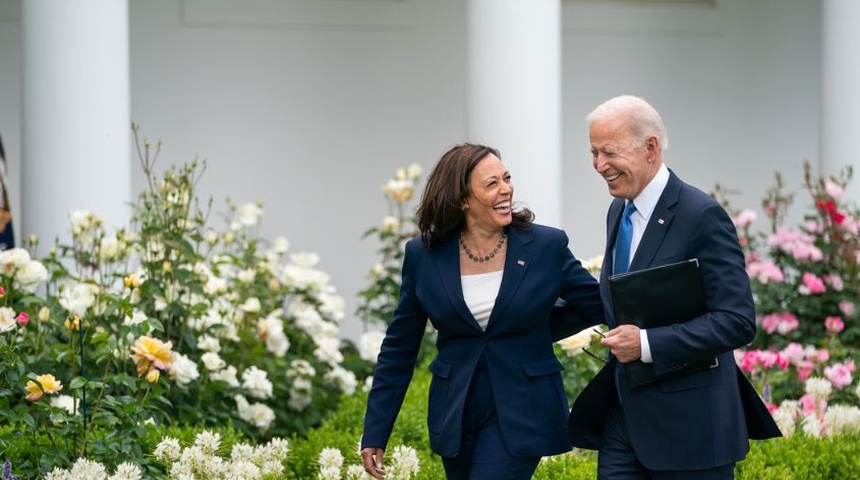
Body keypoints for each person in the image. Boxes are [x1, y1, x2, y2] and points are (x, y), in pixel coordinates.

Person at [566, 95, 781, 479]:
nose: (599, 165)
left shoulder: (702, 216)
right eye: (593, 152)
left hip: (692, 430)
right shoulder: (619, 209)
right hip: (624, 421)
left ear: (650, 147)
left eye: (609, 152)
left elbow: (736, 320)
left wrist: (647, 343)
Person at [360, 143, 605, 479]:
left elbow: (595, 303)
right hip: (456, 413)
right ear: (463, 198)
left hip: (523, 409)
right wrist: (375, 431)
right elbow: (400, 347)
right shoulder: (423, 255)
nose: (506, 189)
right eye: (491, 184)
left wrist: (537, 330)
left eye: (506, 178)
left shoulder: (545, 246)